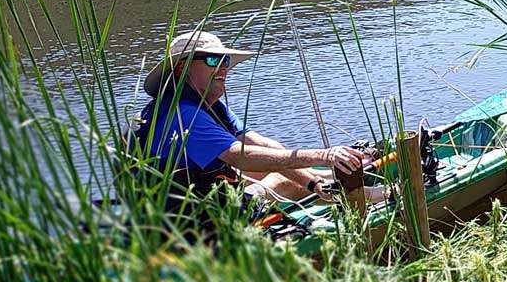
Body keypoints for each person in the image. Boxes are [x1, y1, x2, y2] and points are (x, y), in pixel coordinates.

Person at [132, 29, 373, 208]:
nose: (224, 68)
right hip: (190, 217)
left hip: (206, 191)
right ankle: (380, 195)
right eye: (213, 60)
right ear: (181, 68)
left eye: (225, 61)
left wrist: (315, 182)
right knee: (279, 179)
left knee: (271, 167)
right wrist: (325, 156)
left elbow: (267, 148)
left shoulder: (213, 107)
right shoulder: (183, 115)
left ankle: (346, 178)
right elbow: (240, 155)